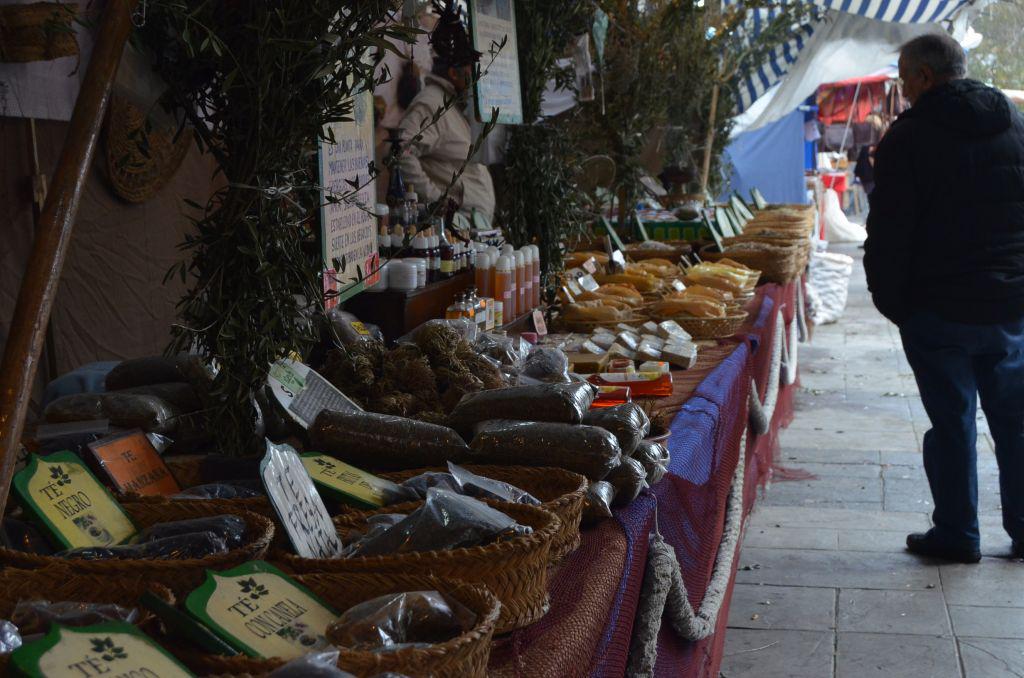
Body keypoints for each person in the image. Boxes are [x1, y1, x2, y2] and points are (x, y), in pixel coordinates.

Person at [863, 32, 1024, 563]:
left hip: (939, 310)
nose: (903, 89)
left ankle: (957, 533)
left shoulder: (908, 137)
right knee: (1016, 422)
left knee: (952, 424)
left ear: (925, 76)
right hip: (1009, 307)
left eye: (905, 79)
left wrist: (893, 302)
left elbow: (890, 231)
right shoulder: (1016, 124)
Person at [394, 2, 496, 222]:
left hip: (470, 225)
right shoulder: (431, 103)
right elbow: (402, 152)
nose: (477, 76)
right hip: (453, 225)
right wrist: (437, 202)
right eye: (472, 68)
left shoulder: (453, 105)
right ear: (454, 73)